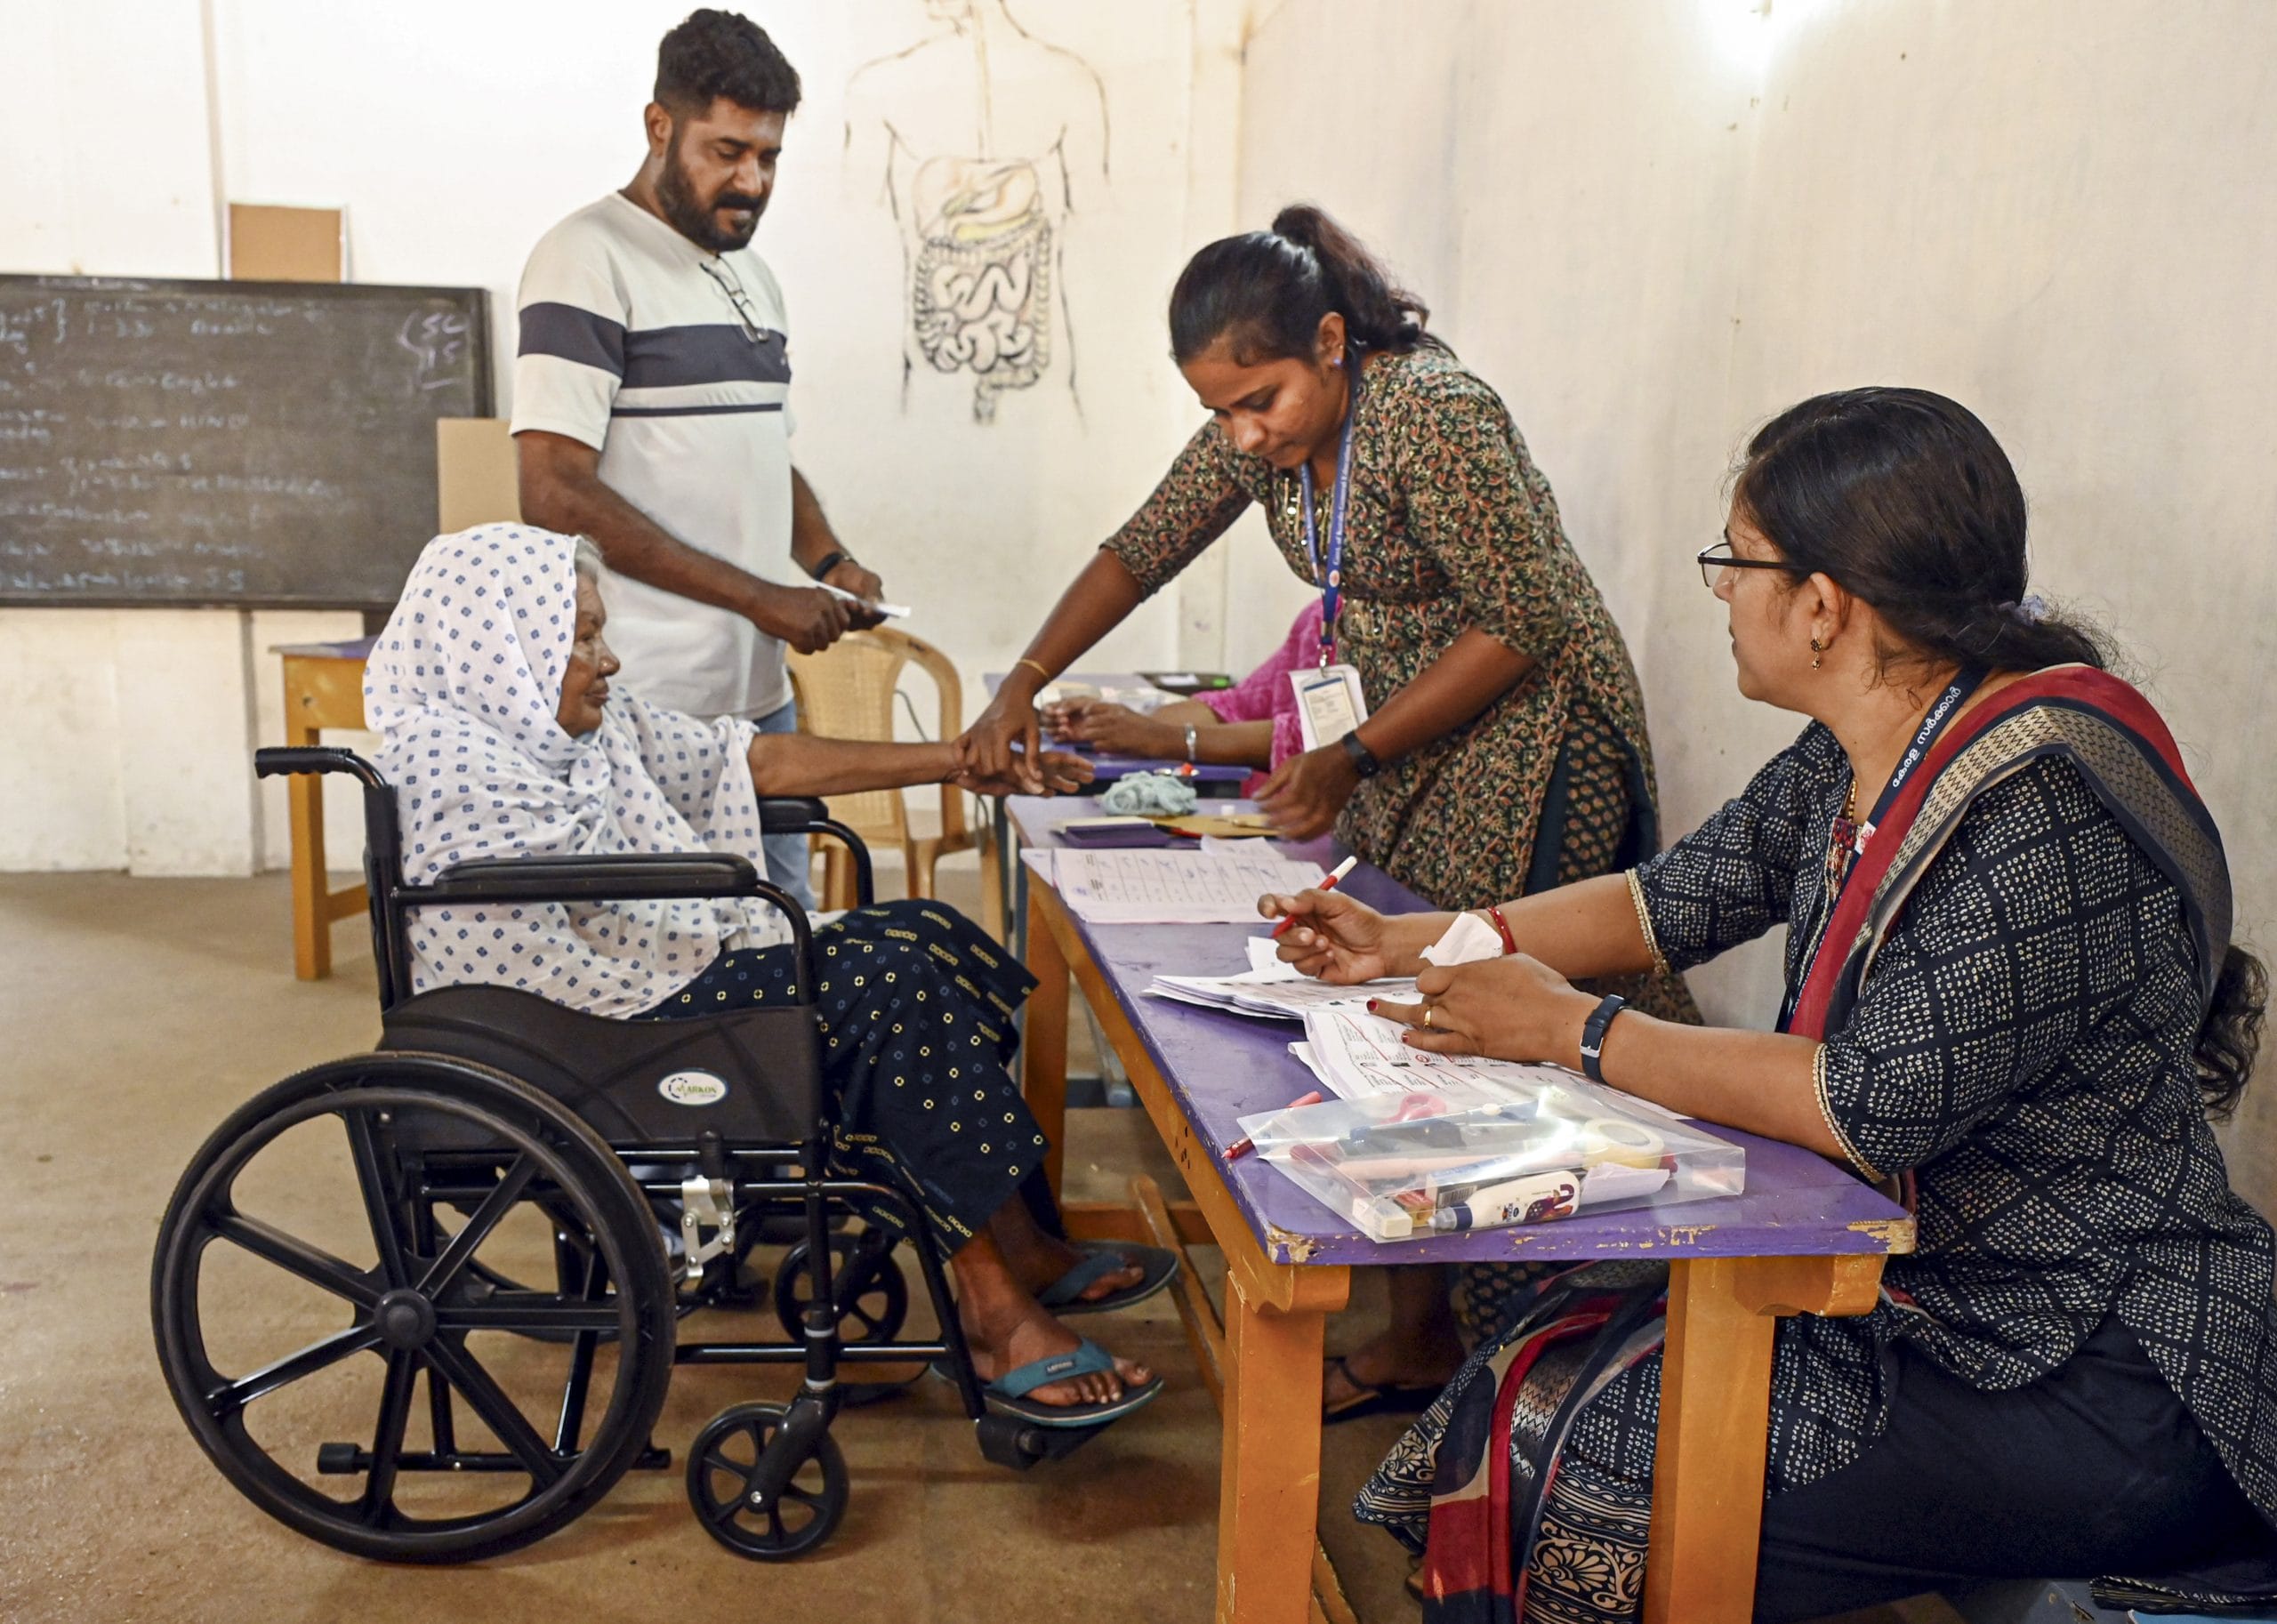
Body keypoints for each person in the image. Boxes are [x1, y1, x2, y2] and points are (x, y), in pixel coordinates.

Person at [1266, 390, 2277, 1619]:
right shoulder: (1877, 742)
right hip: (1925, 1298)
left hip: (2092, 1359)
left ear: (1822, 605)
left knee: (1596, 1470)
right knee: (1536, 1360)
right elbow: (1669, 900)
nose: (1720, 592)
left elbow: (1865, 1106)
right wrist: (1409, 941)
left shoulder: (2041, 811)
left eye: (1736, 561)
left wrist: (1577, 1031)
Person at [972, 203, 1698, 1416]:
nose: (1244, 433)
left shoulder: (1432, 415)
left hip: (1533, 735)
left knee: (1492, 1004)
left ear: (1327, 341)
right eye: (1220, 411)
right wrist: (1023, 678)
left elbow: (1527, 620)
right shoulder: (1264, 432)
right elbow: (1142, 548)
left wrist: (1353, 752)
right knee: (1395, 1000)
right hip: (1414, 739)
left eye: (1259, 401)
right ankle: (1424, 1327)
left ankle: (1553, 1347)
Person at [362, 523, 1179, 1428]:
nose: (609, 660)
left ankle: (1017, 1242)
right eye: (582, 636)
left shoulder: (580, 731)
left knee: (934, 935)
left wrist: (958, 759)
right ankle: (995, 1314)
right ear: (501, 645)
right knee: (887, 985)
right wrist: (714, 904)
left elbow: (751, 760)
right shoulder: (453, 765)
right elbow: (528, 965)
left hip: (653, 973)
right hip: (590, 1029)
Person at [514, 10, 883, 912]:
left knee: (783, 936)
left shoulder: (753, 277)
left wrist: (828, 559)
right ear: (659, 126)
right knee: (669, 951)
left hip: (759, 699)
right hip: (643, 703)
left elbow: (762, 452)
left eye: (768, 157)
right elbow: (552, 489)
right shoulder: (584, 258)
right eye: (727, 152)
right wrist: (760, 597)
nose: (751, 181)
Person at [1042, 600, 1322, 796]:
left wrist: (1161, 738)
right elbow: (1238, 705)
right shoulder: (1320, 617)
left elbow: (1314, 739)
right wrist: (1108, 725)